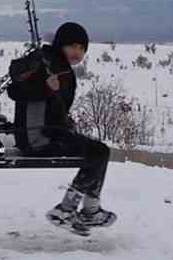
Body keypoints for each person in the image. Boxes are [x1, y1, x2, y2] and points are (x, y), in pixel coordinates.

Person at [7, 22, 115, 232]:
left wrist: (64, 120)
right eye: (73, 46)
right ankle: (68, 209)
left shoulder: (53, 63)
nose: (78, 52)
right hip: (39, 138)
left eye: (82, 48)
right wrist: (45, 89)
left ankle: (90, 210)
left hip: (45, 133)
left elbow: (54, 107)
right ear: (60, 45)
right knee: (98, 152)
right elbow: (16, 91)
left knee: (99, 152)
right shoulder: (49, 65)